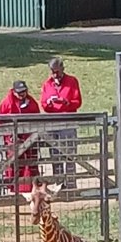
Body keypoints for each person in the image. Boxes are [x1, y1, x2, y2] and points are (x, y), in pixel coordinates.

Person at [40, 57, 82, 189]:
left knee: (69, 154)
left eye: (57, 71)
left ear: (63, 69)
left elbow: (78, 101)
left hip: (68, 122)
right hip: (52, 123)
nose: (55, 75)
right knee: (55, 154)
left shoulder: (72, 81)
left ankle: (70, 184)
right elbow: (43, 104)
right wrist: (49, 103)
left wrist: (66, 102)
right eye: (52, 72)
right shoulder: (47, 84)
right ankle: (58, 184)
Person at [0, 78, 41, 194]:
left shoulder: (31, 103)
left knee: (30, 163)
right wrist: (8, 134)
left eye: (24, 91)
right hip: (13, 140)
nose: (22, 94)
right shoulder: (7, 103)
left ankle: (31, 187)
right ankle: (14, 189)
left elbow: (38, 118)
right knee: (14, 164)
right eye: (19, 92)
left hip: (29, 138)